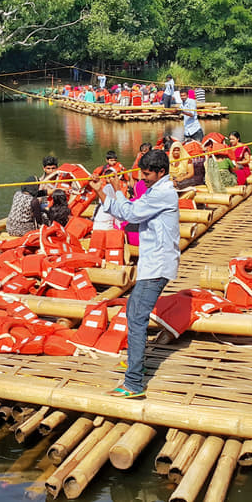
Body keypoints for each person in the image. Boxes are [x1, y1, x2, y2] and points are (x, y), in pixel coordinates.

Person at [90, 150, 180, 399]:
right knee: (133, 312)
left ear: (161, 172)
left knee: (137, 318)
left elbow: (129, 214)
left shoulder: (162, 193)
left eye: (147, 173)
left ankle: (133, 383)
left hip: (157, 265)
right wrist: (113, 190)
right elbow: (132, 209)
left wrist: (105, 192)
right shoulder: (156, 189)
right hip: (152, 263)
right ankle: (135, 362)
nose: (143, 178)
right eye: (142, 172)